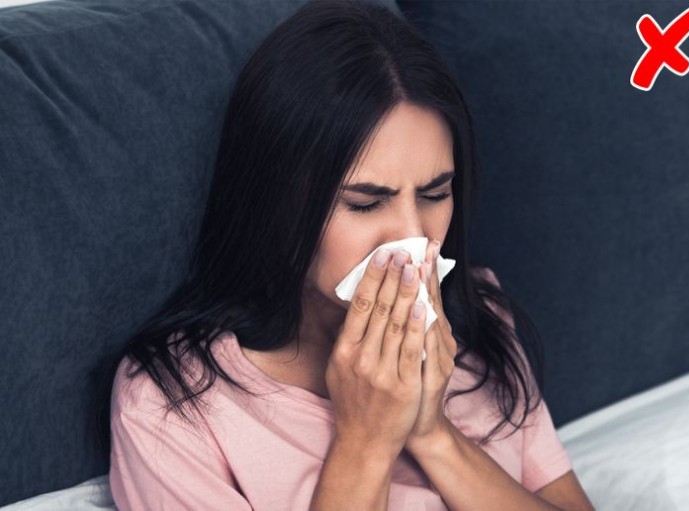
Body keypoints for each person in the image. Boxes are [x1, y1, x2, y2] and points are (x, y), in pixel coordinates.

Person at [107, 0, 595, 509]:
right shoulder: (173, 405)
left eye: (434, 195)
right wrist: (366, 442)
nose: (413, 237)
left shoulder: (481, 320)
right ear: (276, 202)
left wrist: (433, 436)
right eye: (365, 203)